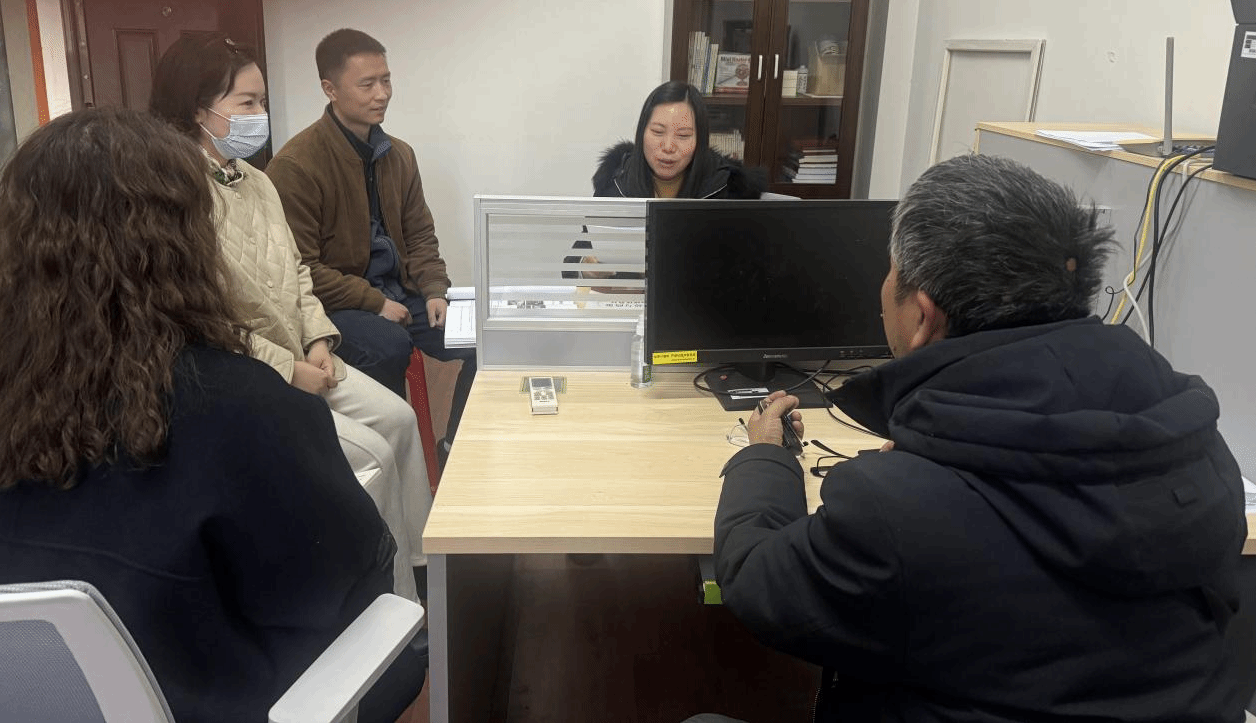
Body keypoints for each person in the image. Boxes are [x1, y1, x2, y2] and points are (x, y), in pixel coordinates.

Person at [710, 154, 1246, 721]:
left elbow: (756, 581)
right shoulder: (1196, 444)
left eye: (891, 271)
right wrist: (929, 469)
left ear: (923, 316)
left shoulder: (894, 510)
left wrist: (765, 455)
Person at [0, 107, 424, 723]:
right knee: (392, 649)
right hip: (223, 702)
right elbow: (341, 590)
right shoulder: (244, 408)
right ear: (185, 242)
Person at [149, 34, 432, 598]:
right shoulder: (173, 198)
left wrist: (319, 340)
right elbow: (198, 321)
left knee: (398, 421)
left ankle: (427, 568)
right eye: (247, 103)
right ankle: (398, 606)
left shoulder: (255, 180)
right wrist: (288, 367)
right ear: (198, 110)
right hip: (250, 373)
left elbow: (298, 271)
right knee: (372, 458)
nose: (261, 115)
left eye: (262, 101)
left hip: (306, 351)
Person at [266, 28, 476, 463]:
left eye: (386, 80)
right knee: (388, 345)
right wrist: (374, 302)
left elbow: (420, 234)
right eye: (367, 84)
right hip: (338, 303)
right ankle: (391, 458)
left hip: (402, 290)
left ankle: (455, 449)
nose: (382, 94)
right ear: (330, 89)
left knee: (483, 335)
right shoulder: (296, 165)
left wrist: (434, 289)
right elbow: (301, 267)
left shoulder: (399, 154)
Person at [567, 81, 767, 282]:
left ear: (700, 140)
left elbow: (754, 271)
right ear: (642, 133)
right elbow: (574, 260)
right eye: (658, 132)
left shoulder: (728, 188)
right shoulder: (616, 181)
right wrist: (586, 269)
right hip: (631, 300)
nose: (668, 146)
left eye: (683, 135)